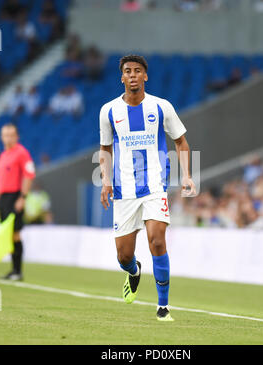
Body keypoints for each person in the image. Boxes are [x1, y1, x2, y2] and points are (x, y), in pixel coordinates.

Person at [99, 54, 196, 321]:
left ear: (145, 76)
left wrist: (187, 175)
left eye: (137, 70)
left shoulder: (161, 107)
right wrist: (106, 181)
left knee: (156, 240)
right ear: (122, 77)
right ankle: (133, 271)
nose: (132, 75)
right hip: (124, 190)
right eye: (128, 71)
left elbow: (181, 141)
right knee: (123, 255)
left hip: (155, 186)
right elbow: (105, 148)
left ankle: (163, 307)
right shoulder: (108, 111)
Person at [0, 123, 36, 281]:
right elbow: (1, 180)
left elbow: (29, 174)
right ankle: (13, 269)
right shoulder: (3, 155)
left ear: (17, 137)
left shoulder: (21, 153)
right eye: (5, 135)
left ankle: (17, 271)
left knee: (15, 234)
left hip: (15, 196)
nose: (8, 138)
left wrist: (23, 197)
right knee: (8, 234)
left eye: (11, 135)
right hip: (4, 198)